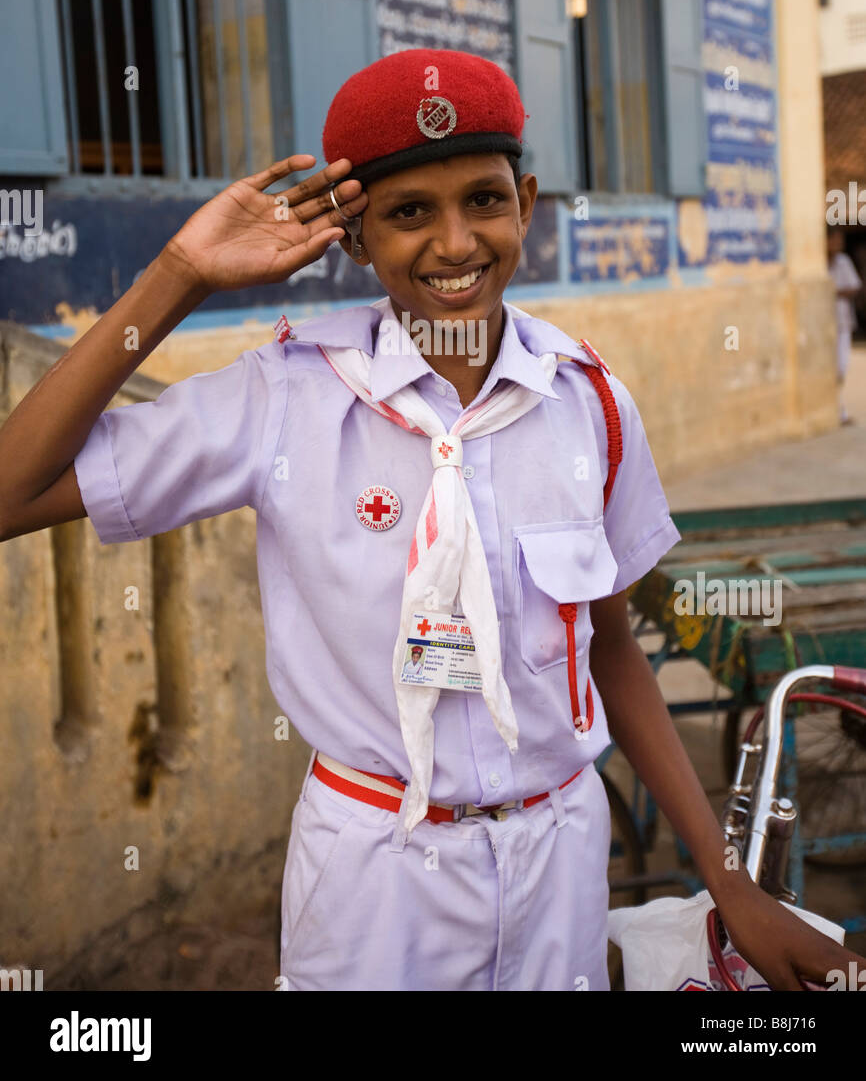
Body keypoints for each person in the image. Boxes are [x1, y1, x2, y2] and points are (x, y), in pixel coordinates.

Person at [2, 48, 863, 993]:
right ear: (357, 237)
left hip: (561, 863)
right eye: (410, 212)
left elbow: (610, 652)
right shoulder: (282, 402)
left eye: (484, 200)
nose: (455, 243)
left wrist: (729, 881)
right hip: (375, 875)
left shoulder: (593, 404)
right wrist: (180, 274)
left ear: (526, 203)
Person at [827, 226, 862, 424]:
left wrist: (834, 293)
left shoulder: (843, 262)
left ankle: (838, 409)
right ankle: (836, 410)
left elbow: (854, 287)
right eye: (835, 240)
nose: (838, 245)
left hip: (842, 322)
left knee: (840, 367)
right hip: (824, 325)